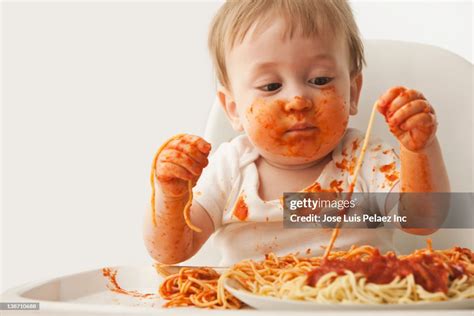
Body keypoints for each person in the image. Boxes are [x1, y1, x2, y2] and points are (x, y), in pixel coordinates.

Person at [143, 0, 449, 265]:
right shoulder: (228, 169)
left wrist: (420, 150)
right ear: (234, 108)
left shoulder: (367, 158)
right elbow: (171, 252)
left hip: (355, 300)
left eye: (319, 80)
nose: (298, 100)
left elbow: (424, 221)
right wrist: (171, 194)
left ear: (353, 92)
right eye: (271, 86)